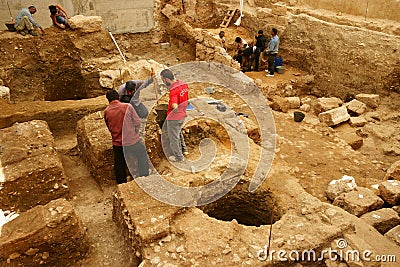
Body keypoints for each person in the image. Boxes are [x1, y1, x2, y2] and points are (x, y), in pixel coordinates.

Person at [104, 90, 149, 184]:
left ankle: (121, 182)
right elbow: (137, 122)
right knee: (142, 155)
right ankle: (144, 177)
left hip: (118, 143)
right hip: (132, 141)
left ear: (108, 100)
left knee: (119, 163)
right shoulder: (127, 106)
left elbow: (109, 127)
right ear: (118, 97)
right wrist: (134, 134)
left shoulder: (107, 111)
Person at [160, 69, 189, 162]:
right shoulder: (183, 84)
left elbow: (175, 106)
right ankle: (184, 150)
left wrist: (174, 108)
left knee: (173, 138)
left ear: (166, 79)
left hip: (174, 118)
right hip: (183, 115)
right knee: (178, 132)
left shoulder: (173, 90)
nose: (163, 81)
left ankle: (179, 157)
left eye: (163, 79)